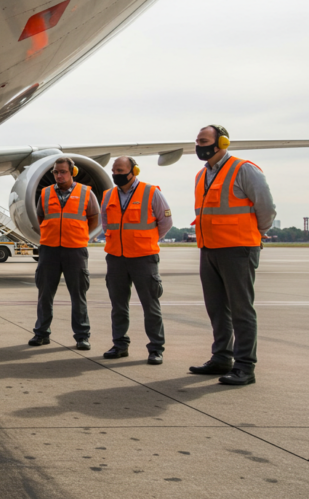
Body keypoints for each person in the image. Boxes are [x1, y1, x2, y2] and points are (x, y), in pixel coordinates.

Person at [189, 125, 275, 385]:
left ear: (222, 143)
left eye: (203, 141)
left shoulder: (244, 169)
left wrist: (257, 232)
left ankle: (245, 366)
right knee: (217, 308)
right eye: (197, 141)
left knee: (241, 310)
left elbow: (266, 207)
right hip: (210, 249)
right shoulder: (201, 175)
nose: (198, 146)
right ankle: (222, 358)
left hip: (238, 248)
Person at [100, 156, 173, 365]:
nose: (116, 174)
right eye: (114, 170)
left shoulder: (151, 192)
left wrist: (147, 240)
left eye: (121, 170)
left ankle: (156, 348)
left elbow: (166, 221)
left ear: (134, 171)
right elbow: (106, 224)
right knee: (118, 306)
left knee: (151, 305)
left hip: (144, 258)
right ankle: (120, 345)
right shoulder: (108, 195)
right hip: (116, 258)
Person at [30, 157, 100, 350]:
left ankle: (82, 336)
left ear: (72, 173)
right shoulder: (44, 193)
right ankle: (41, 333)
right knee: (45, 294)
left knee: (78, 295)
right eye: (55, 172)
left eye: (62, 172)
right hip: (49, 249)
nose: (59, 175)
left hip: (75, 250)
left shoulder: (86, 193)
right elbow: (40, 217)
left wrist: (81, 236)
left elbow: (94, 218)